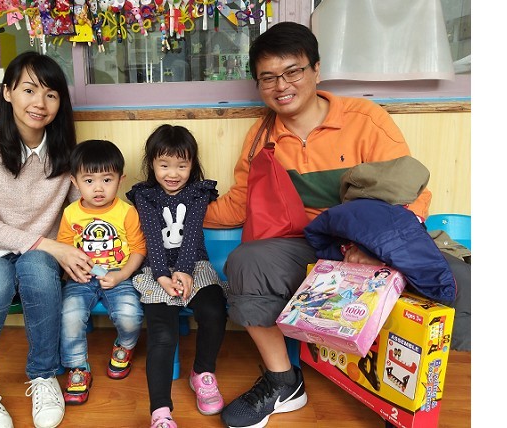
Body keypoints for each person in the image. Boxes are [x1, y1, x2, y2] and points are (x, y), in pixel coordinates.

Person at [202, 22, 471, 428]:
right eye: (268, 77)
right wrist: (180, 207)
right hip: (309, 246)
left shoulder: (365, 119)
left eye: (293, 71)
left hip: (375, 242)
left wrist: (374, 251)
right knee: (247, 261)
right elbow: (241, 201)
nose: (281, 86)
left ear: (316, 70)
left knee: (457, 282)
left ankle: (404, 398)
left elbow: (411, 194)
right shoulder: (261, 137)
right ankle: (283, 383)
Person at [0, 51, 95, 428]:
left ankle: (44, 375)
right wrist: (51, 245)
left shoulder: (66, 152)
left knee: (39, 266)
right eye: (29, 90)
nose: (39, 103)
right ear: (8, 92)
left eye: (51, 94)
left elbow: (80, 211)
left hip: (33, 259)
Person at [126, 124, 229, 428]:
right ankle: (160, 411)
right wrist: (162, 275)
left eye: (181, 165)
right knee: (162, 333)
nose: (173, 173)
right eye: (164, 165)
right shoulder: (145, 196)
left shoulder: (198, 193)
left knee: (214, 311)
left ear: (192, 165)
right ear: (152, 164)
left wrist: (184, 271)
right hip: (155, 270)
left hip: (195, 265)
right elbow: (151, 239)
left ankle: (202, 372)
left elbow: (193, 233)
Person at [56, 139, 146, 405]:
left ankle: (124, 346)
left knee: (131, 316)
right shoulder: (71, 213)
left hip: (118, 274)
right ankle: (78, 367)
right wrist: (74, 270)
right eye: (89, 180)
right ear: (74, 182)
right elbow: (63, 248)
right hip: (81, 277)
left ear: (120, 179)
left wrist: (122, 275)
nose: (98, 188)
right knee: (69, 316)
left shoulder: (127, 212)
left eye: (107, 180)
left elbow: (139, 249)